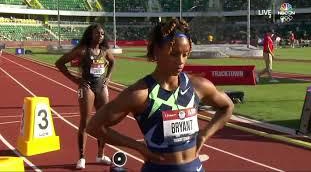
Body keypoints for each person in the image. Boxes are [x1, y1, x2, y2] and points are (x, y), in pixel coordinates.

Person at [86, 18, 234, 172]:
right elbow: (94, 126)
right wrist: (138, 146)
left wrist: (204, 135)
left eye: (185, 54)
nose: (181, 61)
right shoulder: (140, 93)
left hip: (195, 168)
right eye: (174, 54)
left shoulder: (198, 86)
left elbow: (227, 107)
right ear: (157, 50)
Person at [55, 23, 115, 169]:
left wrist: (108, 78)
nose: (100, 36)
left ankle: (100, 155)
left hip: (101, 88)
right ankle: (81, 157)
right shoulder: (82, 50)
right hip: (87, 88)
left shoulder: (105, 51)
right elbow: (60, 63)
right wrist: (75, 80)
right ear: (90, 34)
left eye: (102, 34)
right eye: (97, 33)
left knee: (104, 122)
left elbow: (112, 63)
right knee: (85, 122)